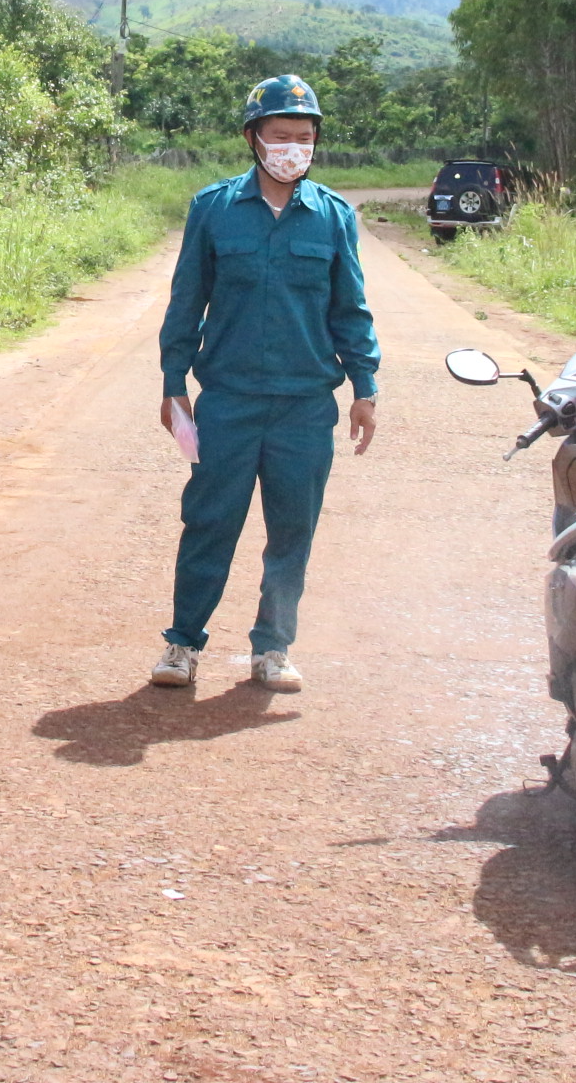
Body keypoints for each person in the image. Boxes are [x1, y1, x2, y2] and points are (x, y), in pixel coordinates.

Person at [152, 74, 380, 695]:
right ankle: (182, 644)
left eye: (304, 138)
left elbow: (350, 310)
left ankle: (273, 648)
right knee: (209, 522)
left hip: (306, 408)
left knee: (292, 531)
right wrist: (174, 386)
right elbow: (185, 303)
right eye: (281, 135)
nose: (293, 148)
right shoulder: (213, 210)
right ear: (254, 138)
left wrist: (364, 387)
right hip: (227, 403)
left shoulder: (332, 217)